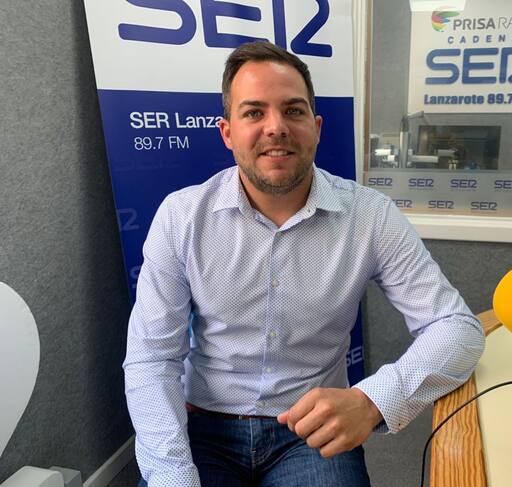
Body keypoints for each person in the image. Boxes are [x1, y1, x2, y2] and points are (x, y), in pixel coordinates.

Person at [124, 41, 485, 487]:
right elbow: (152, 358)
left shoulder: (369, 216)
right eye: (254, 112)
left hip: (308, 432)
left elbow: (457, 329)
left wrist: (372, 401)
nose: (276, 127)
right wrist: (174, 475)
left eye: (293, 111)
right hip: (202, 427)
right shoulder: (181, 217)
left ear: (315, 128)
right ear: (228, 133)